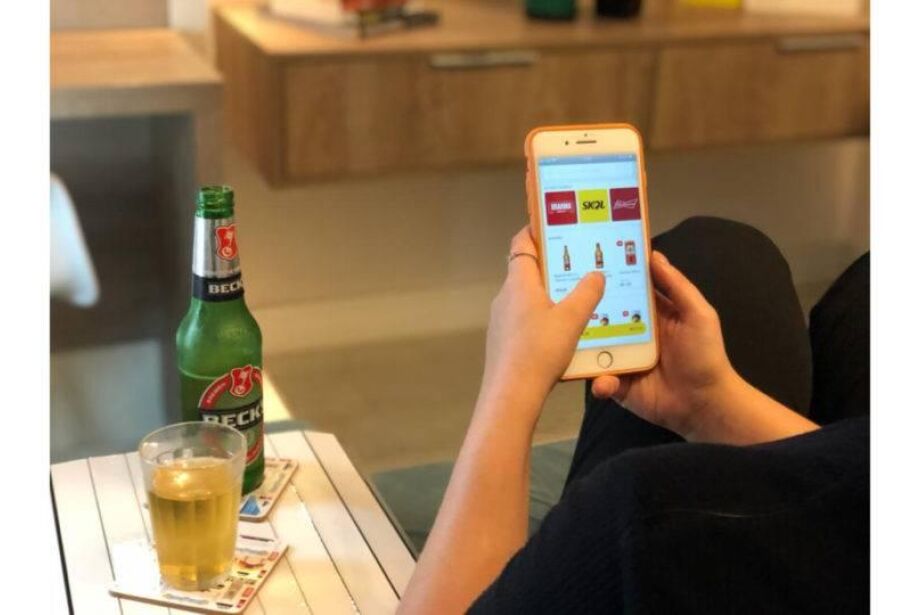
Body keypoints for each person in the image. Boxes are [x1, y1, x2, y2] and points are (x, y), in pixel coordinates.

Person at [398, 217, 868, 614]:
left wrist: (512, 380)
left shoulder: (639, 519)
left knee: (714, 260)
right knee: (733, 254)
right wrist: (708, 403)